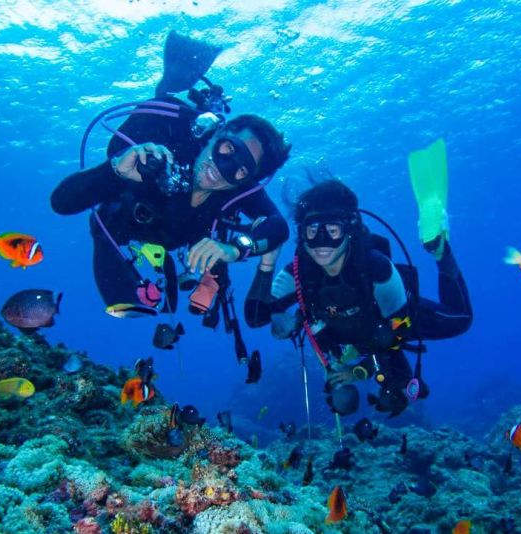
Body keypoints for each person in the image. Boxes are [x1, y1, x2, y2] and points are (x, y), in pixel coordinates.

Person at [51, 32, 291, 320]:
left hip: (177, 237)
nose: (222, 171)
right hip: (129, 222)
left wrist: (234, 248)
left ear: (248, 179)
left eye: (241, 170)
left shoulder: (238, 191)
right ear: (217, 133)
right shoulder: (165, 138)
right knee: (107, 217)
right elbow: (62, 203)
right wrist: (113, 172)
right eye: (229, 149)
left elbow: (278, 227)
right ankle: (177, 73)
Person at [244, 176, 472, 417]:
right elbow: (255, 318)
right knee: (394, 387)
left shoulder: (376, 268)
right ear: (302, 234)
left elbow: (399, 329)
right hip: (353, 337)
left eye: (332, 230)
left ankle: (440, 248)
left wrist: (360, 369)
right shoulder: (299, 273)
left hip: (390, 323)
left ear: (349, 230)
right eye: (312, 230)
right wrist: (267, 263)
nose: (322, 242)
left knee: (461, 320)